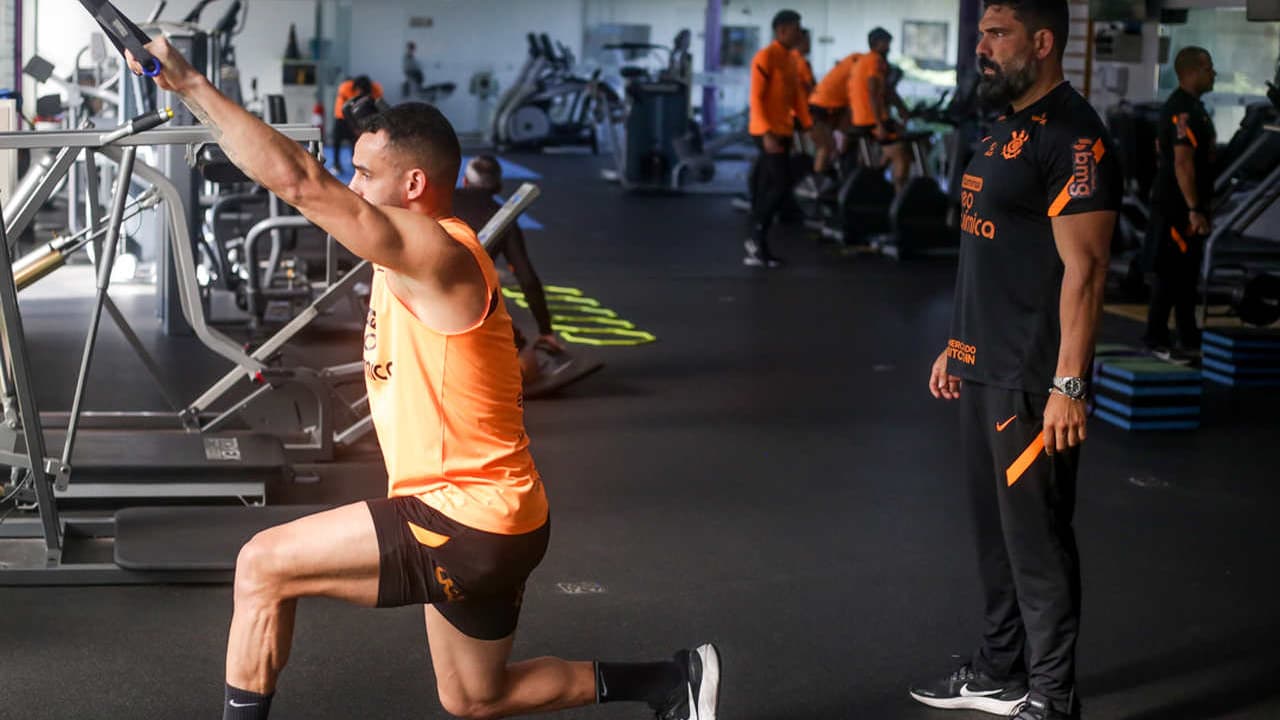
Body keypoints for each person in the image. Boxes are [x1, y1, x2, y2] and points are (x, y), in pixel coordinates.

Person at [126, 37, 720, 720]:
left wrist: (191, 84)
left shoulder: (435, 251)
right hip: (503, 518)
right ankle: (671, 681)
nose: (352, 187)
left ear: (411, 187)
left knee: (263, 566)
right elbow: (298, 182)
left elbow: (298, 181)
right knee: (474, 696)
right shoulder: (417, 259)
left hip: (460, 517)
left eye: (364, 174)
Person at [913, 2, 1119, 719]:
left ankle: (1053, 697)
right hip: (981, 364)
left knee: (1036, 544)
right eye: (980, 36)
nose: (983, 49)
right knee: (994, 537)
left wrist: (1069, 384)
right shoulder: (1004, 126)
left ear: (1042, 41)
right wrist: (956, 342)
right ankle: (1000, 670)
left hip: (1031, 378)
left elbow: (1086, 273)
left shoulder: (1073, 138)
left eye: (996, 35)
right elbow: (994, 249)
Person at [453, 155, 576, 385]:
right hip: (469, 301)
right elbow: (526, 278)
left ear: (465, 182)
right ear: (498, 186)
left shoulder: (441, 201)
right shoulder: (502, 220)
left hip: (416, 294)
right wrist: (545, 330)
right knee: (527, 366)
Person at [1143, 46, 1217, 355]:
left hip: (1185, 205)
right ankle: (1156, 335)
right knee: (1172, 272)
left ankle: (1187, 333)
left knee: (1186, 272)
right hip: (1176, 207)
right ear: (1192, 71)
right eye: (1209, 68)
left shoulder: (1196, 108)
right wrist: (1194, 209)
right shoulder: (1181, 110)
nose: (1214, 74)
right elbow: (1182, 163)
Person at [746, 9, 812, 268]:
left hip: (783, 131)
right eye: (797, 27)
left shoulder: (791, 59)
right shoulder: (766, 57)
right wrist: (766, 133)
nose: (800, 32)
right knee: (780, 185)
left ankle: (757, 243)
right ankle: (756, 238)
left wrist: (807, 127)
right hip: (767, 132)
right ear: (782, 30)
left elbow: (797, 98)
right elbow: (756, 98)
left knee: (767, 187)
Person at [849, 28, 913, 194]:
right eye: (886, 43)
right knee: (901, 152)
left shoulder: (865, 60)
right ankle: (899, 195)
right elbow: (873, 93)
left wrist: (902, 110)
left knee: (895, 143)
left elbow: (886, 91)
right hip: (872, 119)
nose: (889, 47)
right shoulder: (875, 61)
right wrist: (879, 124)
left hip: (861, 118)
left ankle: (879, 172)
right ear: (877, 44)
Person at [804, 51, 862, 192]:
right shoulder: (862, 66)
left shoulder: (853, 64)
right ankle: (816, 189)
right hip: (817, 111)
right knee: (826, 147)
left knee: (832, 147)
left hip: (824, 109)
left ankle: (827, 182)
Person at [331, 75, 384, 174]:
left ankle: (356, 163)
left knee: (356, 142)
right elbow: (345, 109)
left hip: (363, 117)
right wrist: (354, 127)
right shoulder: (345, 88)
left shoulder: (376, 89)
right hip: (341, 118)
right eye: (360, 91)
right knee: (336, 141)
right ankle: (336, 163)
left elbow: (378, 107)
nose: (361, 94)